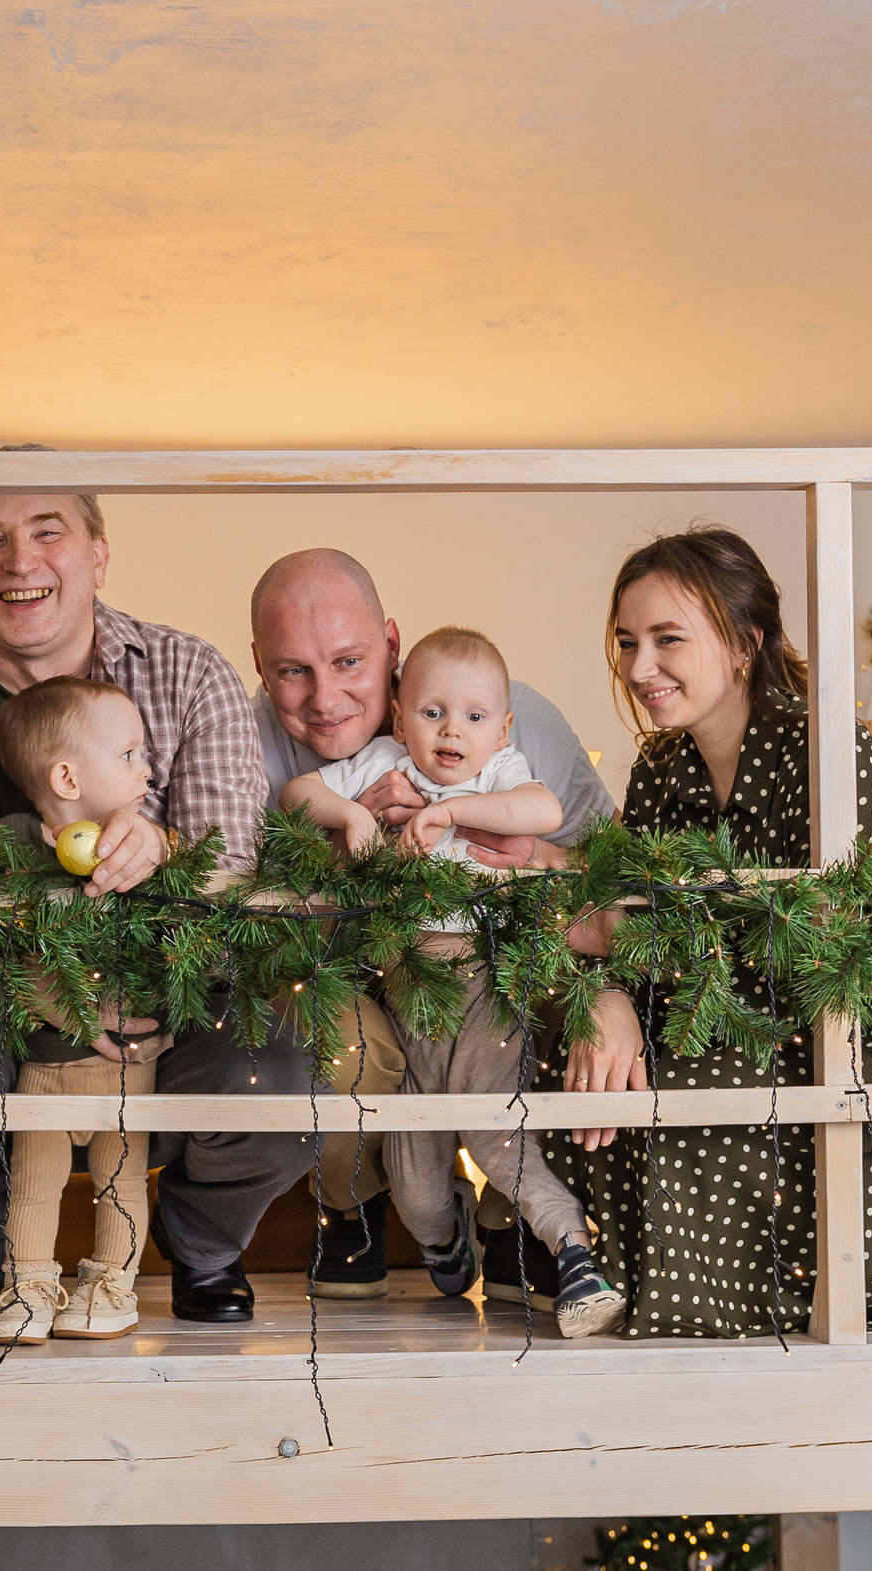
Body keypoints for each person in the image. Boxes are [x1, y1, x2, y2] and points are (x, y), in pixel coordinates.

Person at [552, 527, 872, 1338]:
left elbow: (849, 959)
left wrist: (627, 952)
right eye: (629, 642)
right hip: (735, 1020)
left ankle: (717, 1291)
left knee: (685, 1083)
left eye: (669, 639)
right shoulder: (658, 771)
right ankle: (582, 1264)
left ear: (744, 644)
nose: (639, 668)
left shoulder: (827, 755)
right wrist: (606, 992)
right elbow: (619, 915)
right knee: (574, 1052)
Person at [0, 458, 303, 1327]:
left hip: (166, 1008)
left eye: (48, 531)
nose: (19, 561)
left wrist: (167, 850)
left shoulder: (188, 673)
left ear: (99, 554)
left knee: (282, 1069)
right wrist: (47, 991)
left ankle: (197, 1243)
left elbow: (237, 881)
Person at [248, 548, 612, 1301]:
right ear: (259, 664)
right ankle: (359, 1204)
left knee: (543, 1017)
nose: (323, 697)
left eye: (348, 661)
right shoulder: (258, 741)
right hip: (358, 964)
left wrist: (518, 850)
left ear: (390, 645)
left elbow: (605, 864)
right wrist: (350, 844)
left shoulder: (508, 724)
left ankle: (520, 1221)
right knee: (329, 1035)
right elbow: (237, 912)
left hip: (487, 963)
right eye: (292, 671)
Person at [0, 676, 171, 1343]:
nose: (147, 767)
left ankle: (111, 1282)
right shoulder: (7, 852)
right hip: (46, 1063)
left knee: (122, 1180)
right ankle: (27, 1279)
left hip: (130, 1064)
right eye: (128, 754)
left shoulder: (147, 850)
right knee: (33, 1182)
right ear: (65, 775)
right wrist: (70, 1012)